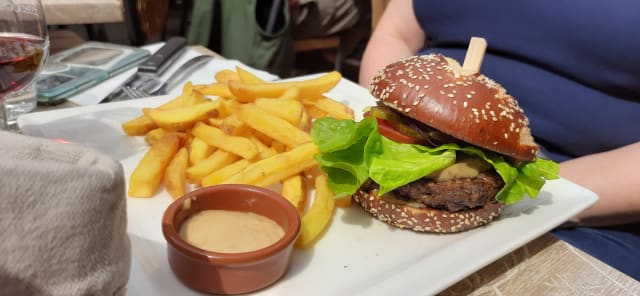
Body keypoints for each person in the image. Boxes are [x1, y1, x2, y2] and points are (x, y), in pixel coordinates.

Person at [359, 0, 640, 279]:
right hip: (407, 127)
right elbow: (397, 32)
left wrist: (546, 194)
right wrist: (390, 119)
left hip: (580, 207)